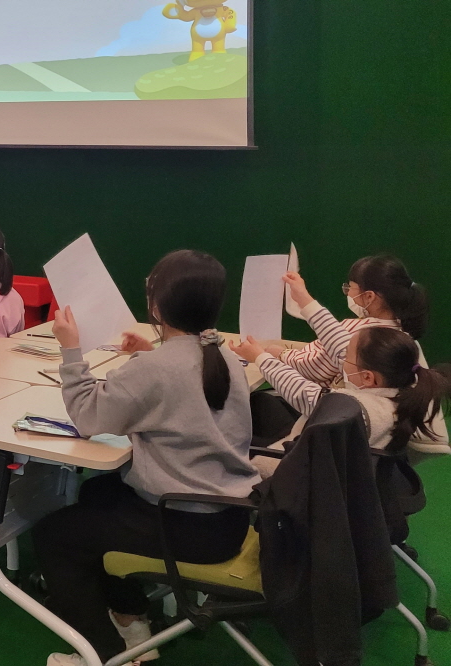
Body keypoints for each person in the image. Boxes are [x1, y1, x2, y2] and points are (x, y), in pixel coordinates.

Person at [33, 250, 259, 666]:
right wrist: (151, 352)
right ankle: (131, 620)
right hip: (227, 515)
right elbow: (177, 385)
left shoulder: (156, 368)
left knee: (54, 535)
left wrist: (71, 350)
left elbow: (88, 416)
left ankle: (102, 654)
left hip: (184, 523)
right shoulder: (223, 354)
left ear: (156, 306)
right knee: (97, 492)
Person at [231, 325, 449, 465]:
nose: (342, 362)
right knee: (262, 402)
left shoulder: (351, 409)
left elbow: (304, 394)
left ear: (368, 377)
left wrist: (260, 357)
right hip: (313, 450)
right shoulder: (402, 393)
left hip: (291, 469)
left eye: (347, 358)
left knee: (231, 441)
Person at [275, 256, 429, 385]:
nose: (347, 293)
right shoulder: (402, 332)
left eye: (349, 287)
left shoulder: (362, 335)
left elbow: (316, 368)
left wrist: (282, 354)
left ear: (369, 296)